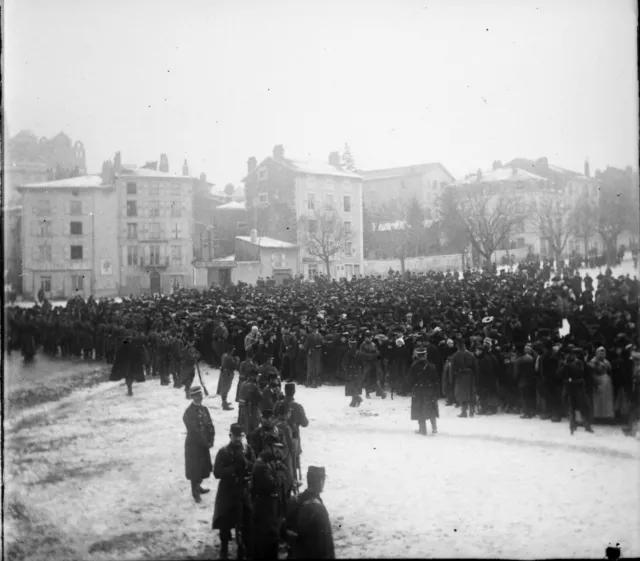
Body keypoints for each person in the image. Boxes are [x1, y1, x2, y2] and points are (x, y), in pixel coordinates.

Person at [212, 423, 255, 560]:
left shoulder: (248, 450)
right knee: (225, 524)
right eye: (235, 436)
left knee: (245, 523)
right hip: (228, 493)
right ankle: (224, 549)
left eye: (240, 436)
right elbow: (217, 472)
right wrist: (232, 469)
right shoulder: (223, 452)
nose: (238, 439)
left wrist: (245, 462)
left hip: (243, 492)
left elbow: (255, 467)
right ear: (230, 436)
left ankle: (242, 550)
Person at [250, 438, 290, 560]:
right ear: (269, 448)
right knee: (267, 541)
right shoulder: (262, 466)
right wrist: (280, 475)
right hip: (265, 510)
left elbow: (284, 472)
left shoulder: (268, 462)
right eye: (276, 449)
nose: (279, 453)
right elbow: (273, 485)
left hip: (269, 508)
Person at [285, 466, 335, 559]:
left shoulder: (294, 500)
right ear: (320, 482)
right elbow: (327, 545)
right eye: (323, 479)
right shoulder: (318, 508)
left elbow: (285, 531)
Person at [183, 386, 216, 503]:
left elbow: (210, 425)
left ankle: (199, 486)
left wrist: (211, 439)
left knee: (203, 467)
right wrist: (205, 442)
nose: (200, 397)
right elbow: (194, 431)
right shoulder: (188, 413)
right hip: (194, 445)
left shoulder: (205, 409)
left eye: (200, 394)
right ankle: (195, 491)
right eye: (197, 395)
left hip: (204, 444)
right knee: (195, 469)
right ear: (192, 397)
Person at [561, 346, 594, 435]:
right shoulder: (570, 363)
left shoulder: (581, 364)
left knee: (581, 407)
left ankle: (584, 425)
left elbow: (585, 374)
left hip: (579, 388)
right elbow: (563, 375)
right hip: (573, 387)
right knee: (574, 407)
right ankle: (574, 425)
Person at [408, 348, 439, 435]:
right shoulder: (432, 366)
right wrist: (436, 391)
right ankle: (434, 428)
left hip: (418, 390)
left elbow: (410, 379)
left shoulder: (413, 366)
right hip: (429, 390)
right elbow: (436, 380)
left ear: (417, 356)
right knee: (431, 408)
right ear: (425, 355)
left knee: (419, 408)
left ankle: (422, 429)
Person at [450, 337, 478, 418]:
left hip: (460, 377)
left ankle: (464, 412)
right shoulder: (471, 355)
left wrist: (451, 380)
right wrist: (476, 378)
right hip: (470, 377)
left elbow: (452, 369)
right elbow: (476, 368)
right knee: (471, 393)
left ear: (457, 346)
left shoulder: (455, 356)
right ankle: (472, 411)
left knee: (462, 394)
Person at [218, 345, 239, 411]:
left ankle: (224, 402)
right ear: (231, 350)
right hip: (227, 374)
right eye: (233, 350)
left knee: (224, 388)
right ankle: (225, 405)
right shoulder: (229, 357)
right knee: (226, 388)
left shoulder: (224, 355)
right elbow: (234, 366)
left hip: (223, 373)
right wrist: (237, 361)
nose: (233, 351)